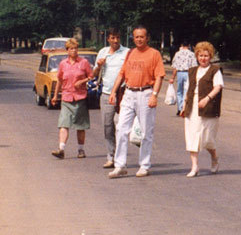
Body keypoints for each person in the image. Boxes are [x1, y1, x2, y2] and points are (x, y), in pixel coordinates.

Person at [108, 25, 165, 178]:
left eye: (142, 37)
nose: (139, 39)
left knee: (146, 131)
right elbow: (122, 74)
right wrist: (113, 92)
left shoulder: (154, 54)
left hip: (145, 93)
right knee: (121, 128)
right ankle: (120, 165)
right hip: (129, 93)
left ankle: (144, 165)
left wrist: (154, 95)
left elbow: (159, 76)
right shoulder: (130, 53)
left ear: (147, 38)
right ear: (133, 38)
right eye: (136, 37)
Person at [182, 41, 224, 177]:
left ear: (210, 56)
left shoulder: (215, 70)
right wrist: (184, 105)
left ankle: (214, 158)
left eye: (206, 56)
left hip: (208, 108)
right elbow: (188, 89)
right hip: (192, 107)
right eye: (200, 55)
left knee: (207, 139)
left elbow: (218, 87)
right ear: (197, 56)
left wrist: (207, 99)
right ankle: (194, 167)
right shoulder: (192, 71)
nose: (203, 58)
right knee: (192, 137)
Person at [50, 38, 93, 159]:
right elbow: (59, 80)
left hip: (80, 98)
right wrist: (55, 96)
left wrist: (82, 81)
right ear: (67, 50)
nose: (74, 51)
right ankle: (61, 149)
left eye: (75, 48)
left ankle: (81, 150)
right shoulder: (63, 64)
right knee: (64, 124)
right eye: (71, 49)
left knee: (80, 126)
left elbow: (91, 76)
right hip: (66, 98)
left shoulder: (83, 62)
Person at [93, 28, 129, 169]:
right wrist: (99, 66)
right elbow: (94, 73)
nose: (115, 41)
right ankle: (110, 156)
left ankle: (120, 157)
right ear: (108, 39)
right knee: (108, 127)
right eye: (113, 38)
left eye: (118, 37)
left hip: (122, 94)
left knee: (120, 126)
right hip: (107, 94)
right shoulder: (103, 52)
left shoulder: (126, 52)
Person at [171, 41, 197, 116]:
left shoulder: (177, 54)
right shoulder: (191, 54)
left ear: (182, 45)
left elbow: (175, 67)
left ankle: (179, 108)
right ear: (189, 45)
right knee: (186, 90)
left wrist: (173, 77)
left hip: (179, 73)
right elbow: (194, 66)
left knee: (179, 91)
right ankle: (184, 108)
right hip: (188, 73)